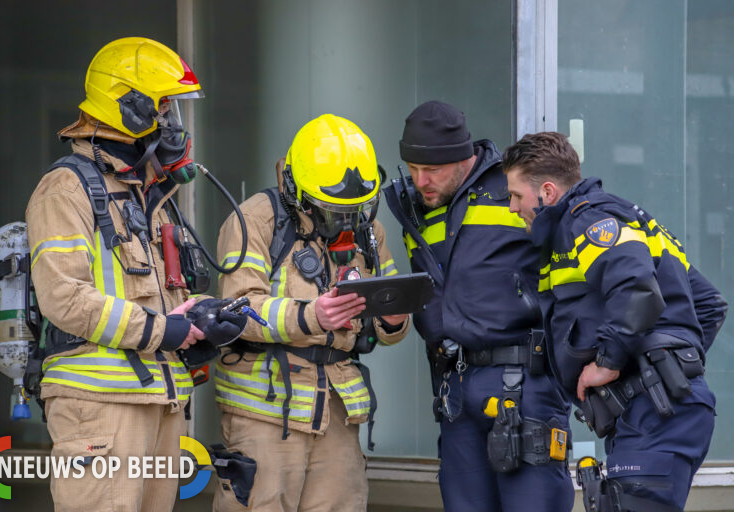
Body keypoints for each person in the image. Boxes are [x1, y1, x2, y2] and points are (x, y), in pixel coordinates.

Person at [26, 37, 246, 511]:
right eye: (165, 110)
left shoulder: (151, 197)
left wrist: (199, 325)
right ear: (130, 109)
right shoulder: (65, 189)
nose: (175, 126)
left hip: (158, 403)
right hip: (98, 408)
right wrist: (162, 330)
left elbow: (160, 302)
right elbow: (64, 298)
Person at [503, 131, 727, 511]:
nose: (511, 207)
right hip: (661, 409)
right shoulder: (624, 219)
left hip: (654, 412)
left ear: (547, 192)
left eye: (516, 195)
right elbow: (708, 304)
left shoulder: (587, 221)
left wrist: (610, 363)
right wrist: (667, 365)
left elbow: (636, 288)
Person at [213, 113, 411, 511]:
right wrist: (312, 316)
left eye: (355, 209)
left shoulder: (367, 229)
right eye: (333, 210)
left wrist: (393, 320)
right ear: (297, 189)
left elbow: (390, 303)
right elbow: (238, 309)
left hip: (338, 413)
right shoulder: (255, 220)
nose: (346, 221)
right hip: (266, 416)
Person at [384, 101, 573, 511]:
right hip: (454, 388)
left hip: (525, 383)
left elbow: (581, 268)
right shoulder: (417, 206)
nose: (421, 180)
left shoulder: (516, 188)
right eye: (413, 169)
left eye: (432, 170)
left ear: (463, 157)